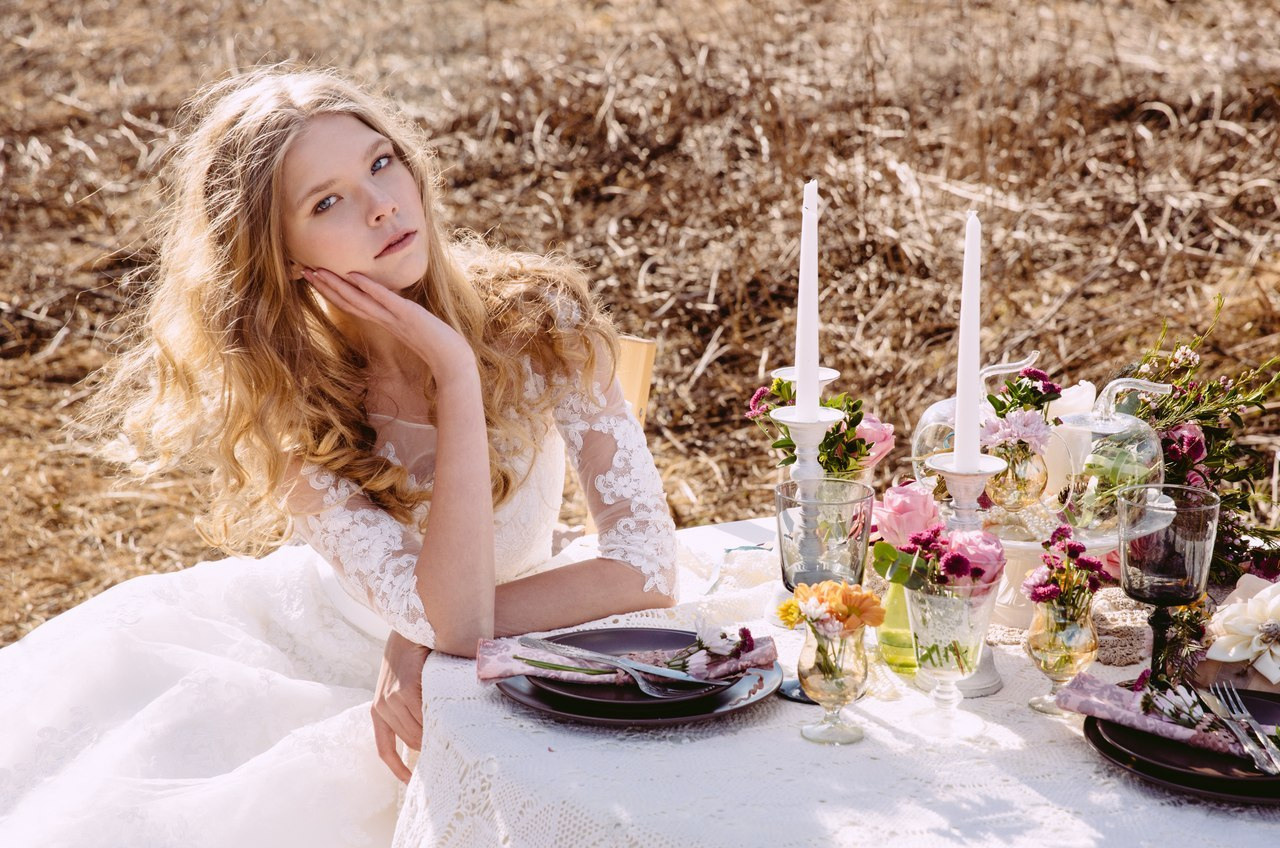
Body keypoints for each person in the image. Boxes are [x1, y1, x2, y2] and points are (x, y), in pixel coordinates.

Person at [0, 67, 677, 847]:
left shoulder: (539, 318)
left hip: (456, 652)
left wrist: (415, 632)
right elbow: (460, 623)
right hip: (326, 670)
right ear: (283, 256)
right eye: (328, 202)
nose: (381, 205)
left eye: (381, 163)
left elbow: (646, 569)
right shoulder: (297, 417)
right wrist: (456, 379)